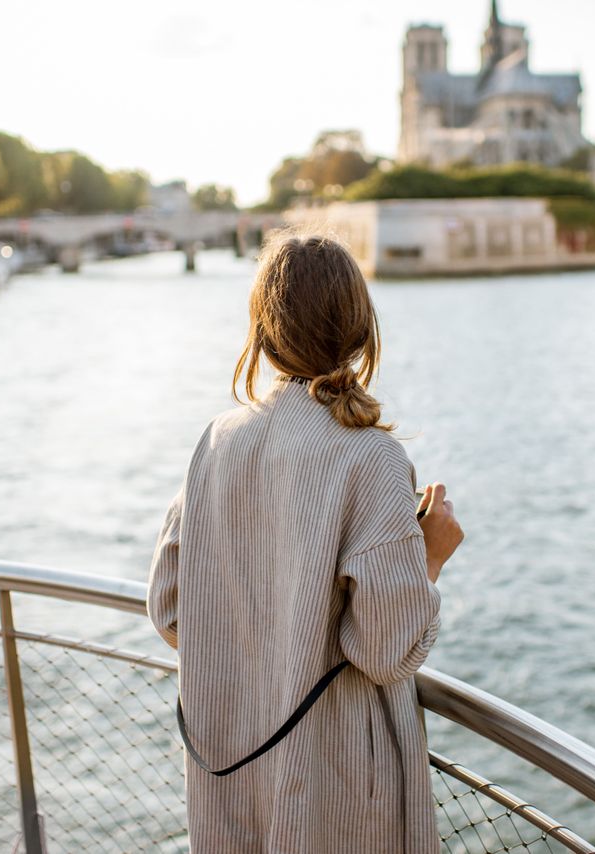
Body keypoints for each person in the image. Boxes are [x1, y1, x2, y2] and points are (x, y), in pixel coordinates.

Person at [148, 234, 464, 853]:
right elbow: (384, 649)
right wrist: (427, 556)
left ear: (263, 332)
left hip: (233, 769)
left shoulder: (217, 441)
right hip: (337, 790)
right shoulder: (371, 457)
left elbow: (169, 609)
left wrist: (262, 645)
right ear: (359, 329)